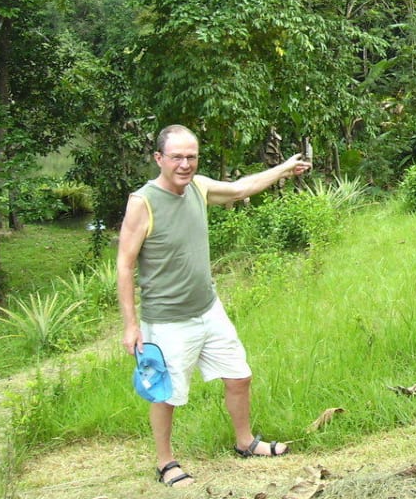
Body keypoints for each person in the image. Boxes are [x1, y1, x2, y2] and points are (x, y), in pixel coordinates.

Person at [117, 124, 311, 487]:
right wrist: (131, 324)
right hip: (168, 319)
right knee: (166, 394)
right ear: (159, 158)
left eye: (191, 156)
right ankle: (165, 463)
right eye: (177, 157)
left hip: (209, 308)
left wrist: (283, 168)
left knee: (240, 376)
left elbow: (240, 189)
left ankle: (245, 442)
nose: (185, 164)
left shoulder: (198, 187)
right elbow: (125, 264)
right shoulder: (143, 202)